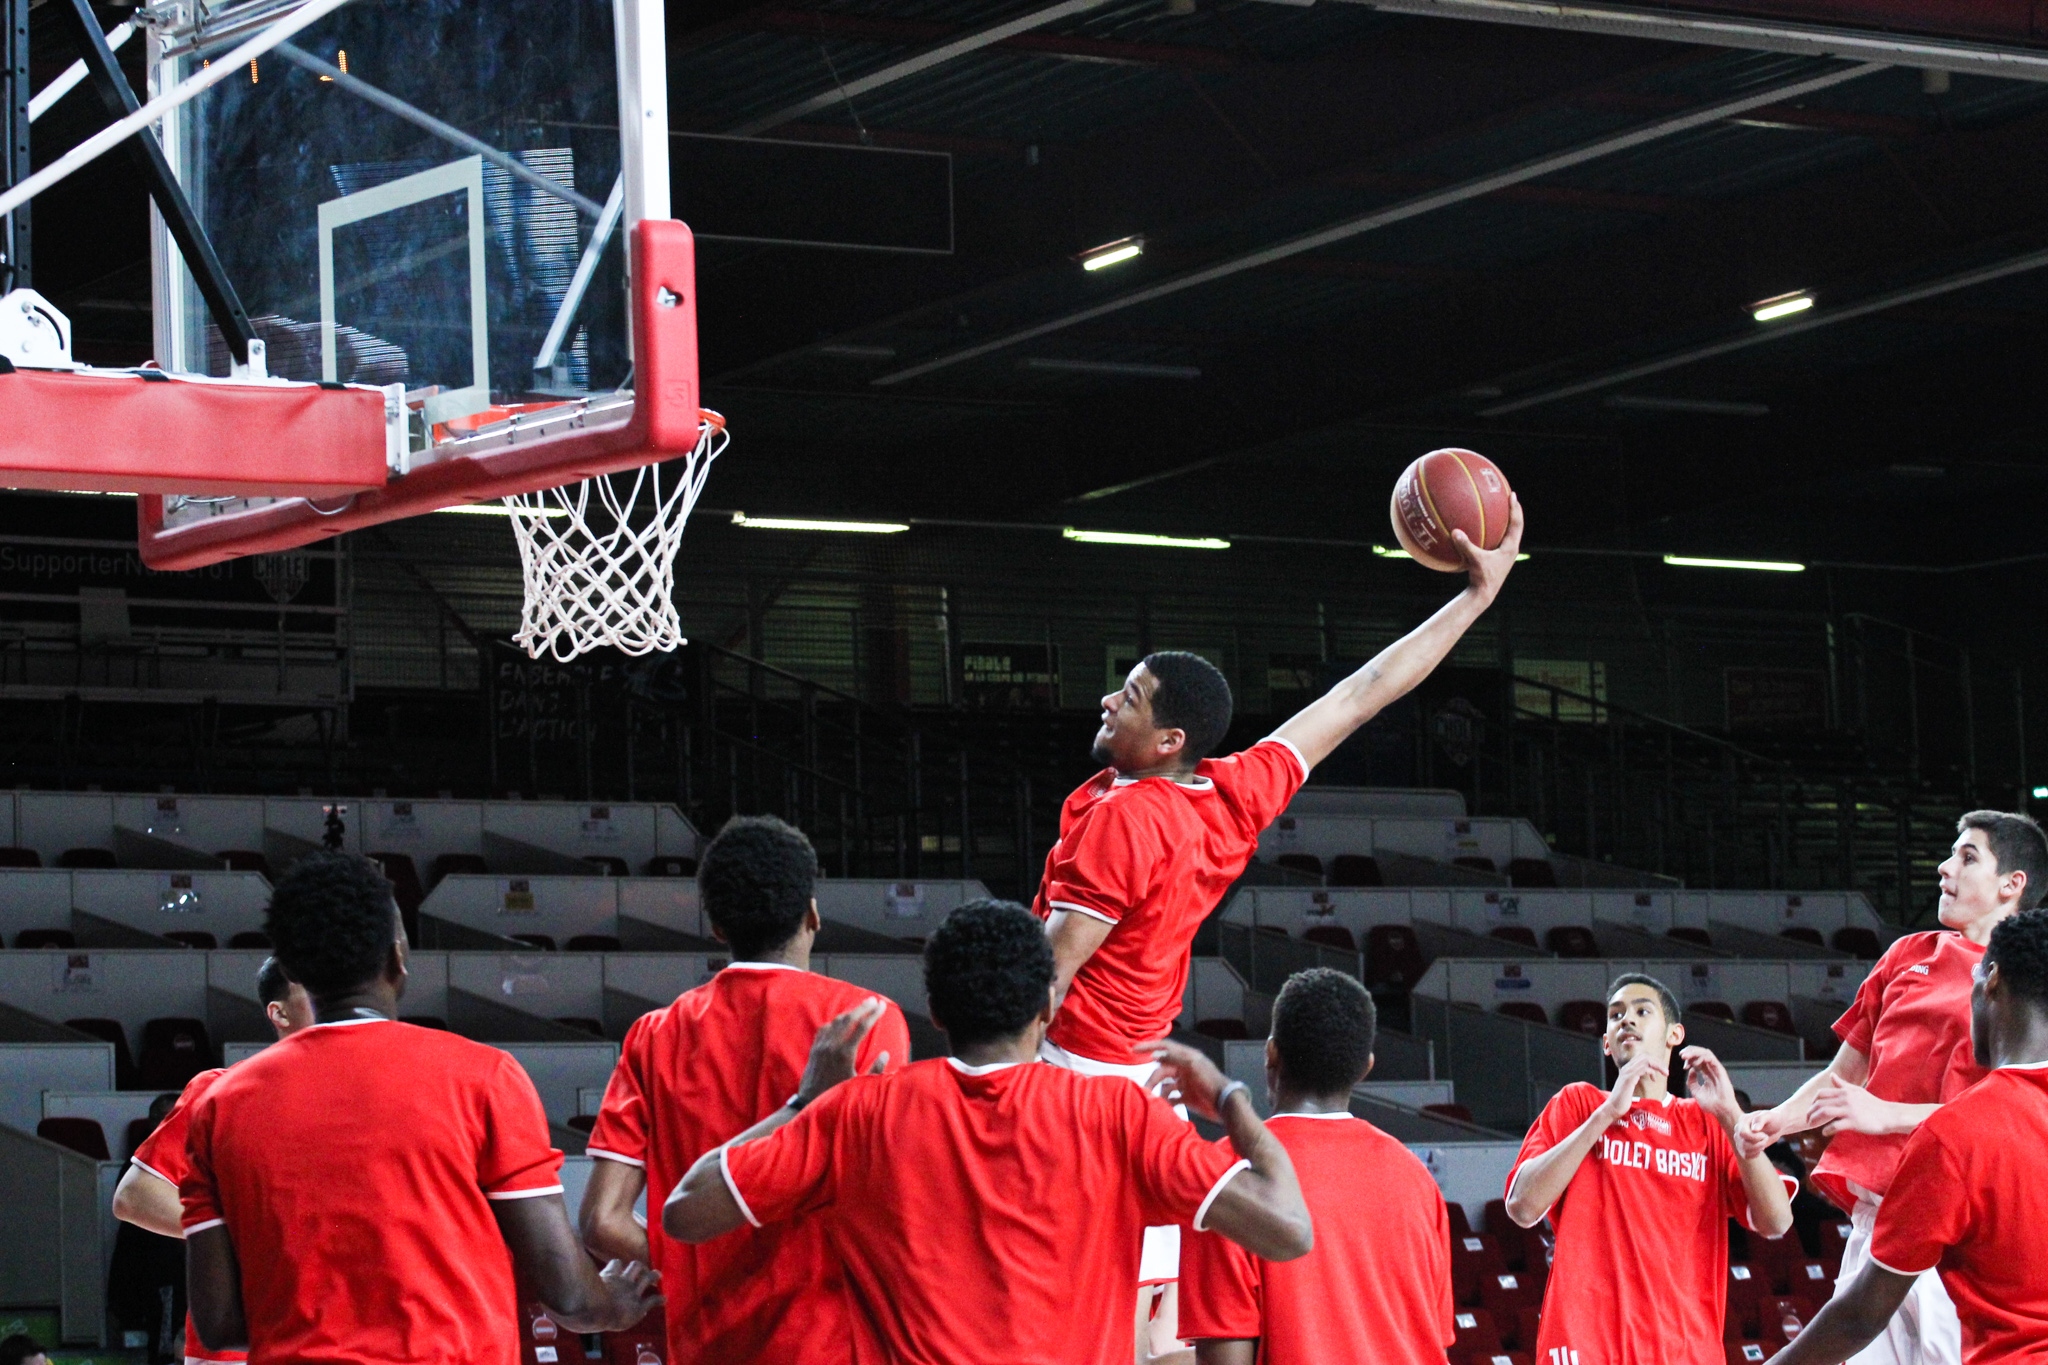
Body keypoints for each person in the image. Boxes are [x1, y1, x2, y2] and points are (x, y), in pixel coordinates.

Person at [1033, 500, 1523, 1318]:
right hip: (1139, 1080)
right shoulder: (1229, 793)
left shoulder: (1127, 819)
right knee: (1141, 1306)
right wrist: (1474, 599)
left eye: (1131, 695)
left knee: (1057, 1297)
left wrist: (984, 1083)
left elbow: (1046, 976)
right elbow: (1362, 693)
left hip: (1078, 1076)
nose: (1109, 702)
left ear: (1168, 741)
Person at [661, 898, 1314, 1365]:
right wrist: (1229, 1099)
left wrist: (804, 1101)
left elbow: (686, 1211)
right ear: (1050, 1005)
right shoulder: (1120, 1112)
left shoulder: (857, 1113)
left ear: (937, 1012)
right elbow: (1288, 1228)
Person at [180, 853, 661, 1365]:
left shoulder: (219, 1106)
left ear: (293, 971)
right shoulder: (483, 1078)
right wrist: (614, 1303)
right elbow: (570, 1297)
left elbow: (219, 1323)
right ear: (397, 959)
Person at [579, 815, 910, 1364]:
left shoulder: (654, 1035)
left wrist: (694, 1263)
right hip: (829, 1342)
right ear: (812, 914)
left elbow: (601, 1221)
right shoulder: (867, 1021)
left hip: (703, 1342)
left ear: (717, 928)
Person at [1737, 811, 2047, 1365]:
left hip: (1960, 1227)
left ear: (2012, 884)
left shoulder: (2025, 985)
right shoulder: (1908, 955)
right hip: (1878, 1213)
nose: (1945, 867)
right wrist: (1777, 1121)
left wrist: (1888, 1115)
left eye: (1967, 857)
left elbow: (2010, 1110)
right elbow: (1842, 1080)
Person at [1504, 974, 1797, 1365]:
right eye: (1616, 1015)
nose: (1627, 1020)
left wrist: (1730, 1115)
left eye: (1643, 1011)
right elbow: (1522, 1206)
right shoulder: (1578, 1103)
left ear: (1675, 1034)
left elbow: (1776, 1220)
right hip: (1586, 1350)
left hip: (1685, 1352)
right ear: (1606, 1043)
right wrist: (1607, 1114)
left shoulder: (1706, 1123)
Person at [1179, 968, 1453, 1365]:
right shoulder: (1416, 1179)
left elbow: (1225, 1357)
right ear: (1365, 1067)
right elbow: (1433, 1338)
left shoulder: (1227, 1174)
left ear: (1271, 1052)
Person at [110, 957, 315, 1365]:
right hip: (235, 1351)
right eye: (314, 991)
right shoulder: (221, 1091)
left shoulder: (374, 1098)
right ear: (279, 1013)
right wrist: (234, 1235)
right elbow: (134, 1195)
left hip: (349, 1338)